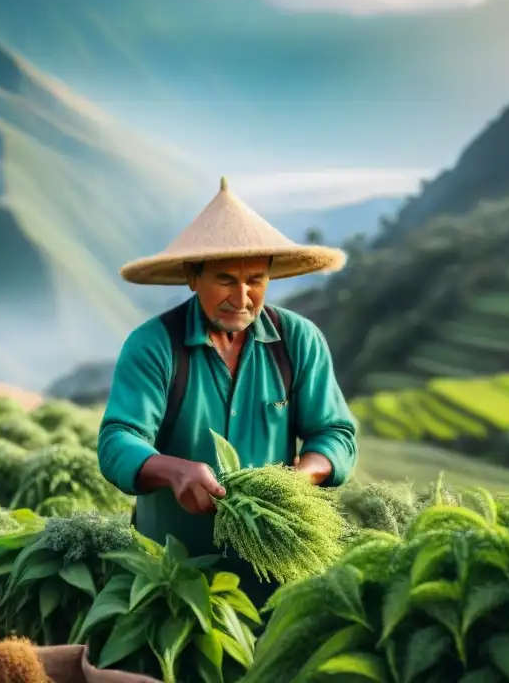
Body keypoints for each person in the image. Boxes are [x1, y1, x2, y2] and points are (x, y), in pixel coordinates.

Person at [97, 176, 358, 607]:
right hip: (170, 579)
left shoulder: (298, 341)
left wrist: (299, 478)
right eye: (225, 280)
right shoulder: (154, 345)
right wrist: (175, 471)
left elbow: (335, 434)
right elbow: (117, 440)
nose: (241, 297)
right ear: (191, 276)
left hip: (275, 575)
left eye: (255, 280)